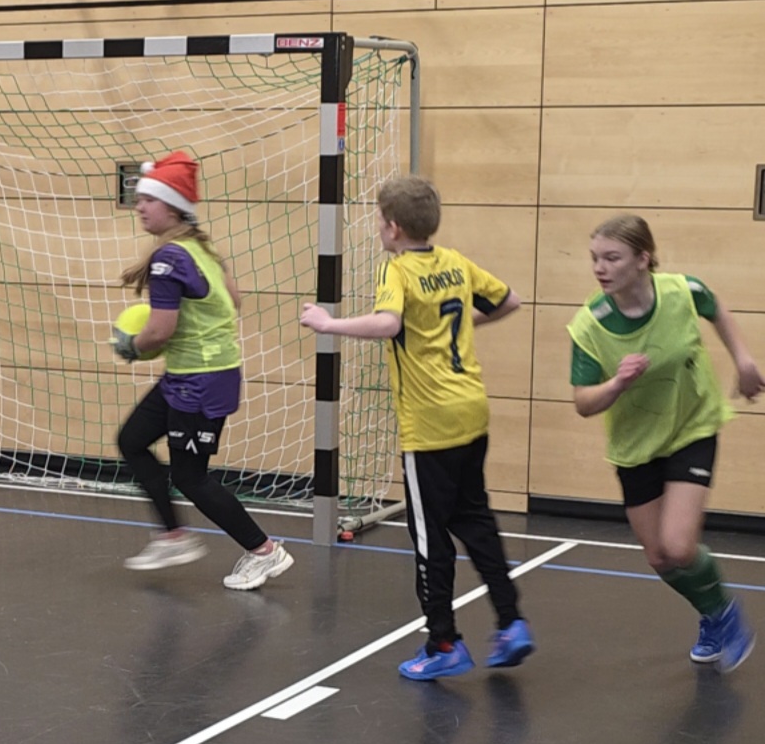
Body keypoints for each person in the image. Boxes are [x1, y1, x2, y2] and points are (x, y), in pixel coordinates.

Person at [301, 175, 530, 680]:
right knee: (476, 520)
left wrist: (328, 324)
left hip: (430, 424)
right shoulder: (455, 262)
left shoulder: (397, 269)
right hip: (471, 409)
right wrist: (458, 327)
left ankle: (443, 643)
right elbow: (509, 301)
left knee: (430, 538)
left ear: (393, 227)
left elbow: (388, 324)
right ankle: (511, 622)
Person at [569, 214, 759, 673]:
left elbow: (715, 308)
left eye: (612, 258)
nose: (600, 268)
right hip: (636, 445)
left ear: (643, 259)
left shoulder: (681, 291)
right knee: (658, 556)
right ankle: (712, 614)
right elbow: (583, 402)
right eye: (595, 258)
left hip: (692, 426)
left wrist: (743, 360)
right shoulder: (590, 325)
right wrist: (616, 384)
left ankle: (727, 615)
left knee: (678, 546)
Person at [112, 150, 294, 591]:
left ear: (172, 206)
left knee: (190, 476)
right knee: (132, 440)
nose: (139, 207)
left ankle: (264, 551)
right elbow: (234, 299)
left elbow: (160, 330)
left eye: (148, 200)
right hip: (191, 374)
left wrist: (132, 347)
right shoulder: (201, 249)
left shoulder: (169, 259)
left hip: (201, 380)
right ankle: (172, 536)